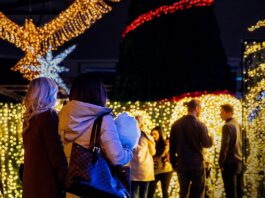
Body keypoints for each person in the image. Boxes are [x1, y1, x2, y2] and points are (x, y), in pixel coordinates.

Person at [59, 73, 133, 197]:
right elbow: (117, 157)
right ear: (99, 94)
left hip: (74, 186)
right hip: (96, 187)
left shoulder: (63, 117)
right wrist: (129, 150)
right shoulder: (103, 119)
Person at [22, 77, 68, 198]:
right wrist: (66, 177)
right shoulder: (49, 116)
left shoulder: (29, 119)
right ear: (49, 93)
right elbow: (55, 152)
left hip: (32, 182)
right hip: (47, 183)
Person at [169, 99, 213, 198]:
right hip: (196, 163)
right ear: (197, 108)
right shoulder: (200, 125)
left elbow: (172, 147)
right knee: (197, 192)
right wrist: (212, 138)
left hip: (182, 163)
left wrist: (173, 163)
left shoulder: (176, 124)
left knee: (183, 192)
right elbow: (206, 144)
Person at [219, 104, 243, 198]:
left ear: (228, 113)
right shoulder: (238, 124)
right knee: (239, 190)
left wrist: (220, 162)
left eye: (222, 112)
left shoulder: (227, 126)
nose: (220, 114)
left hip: (230, 163)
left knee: (230, 192)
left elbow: (225, 146)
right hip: (239, 161)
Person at [130, 115, 156, 198]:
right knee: (143, 195)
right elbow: (153, 152)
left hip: (132, 169)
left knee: (133, 194)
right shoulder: (147, 137)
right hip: (145, 169)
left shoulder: (129, 135)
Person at [148, 126, 173, 198]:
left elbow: (163, 154)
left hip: (165, 170)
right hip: (155, 172)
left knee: (165, 192)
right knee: (150, 192)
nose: (153, 136)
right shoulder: (151, 144)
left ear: (160, 134)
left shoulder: (166, 144)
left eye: (155, 134)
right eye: (152, 134)